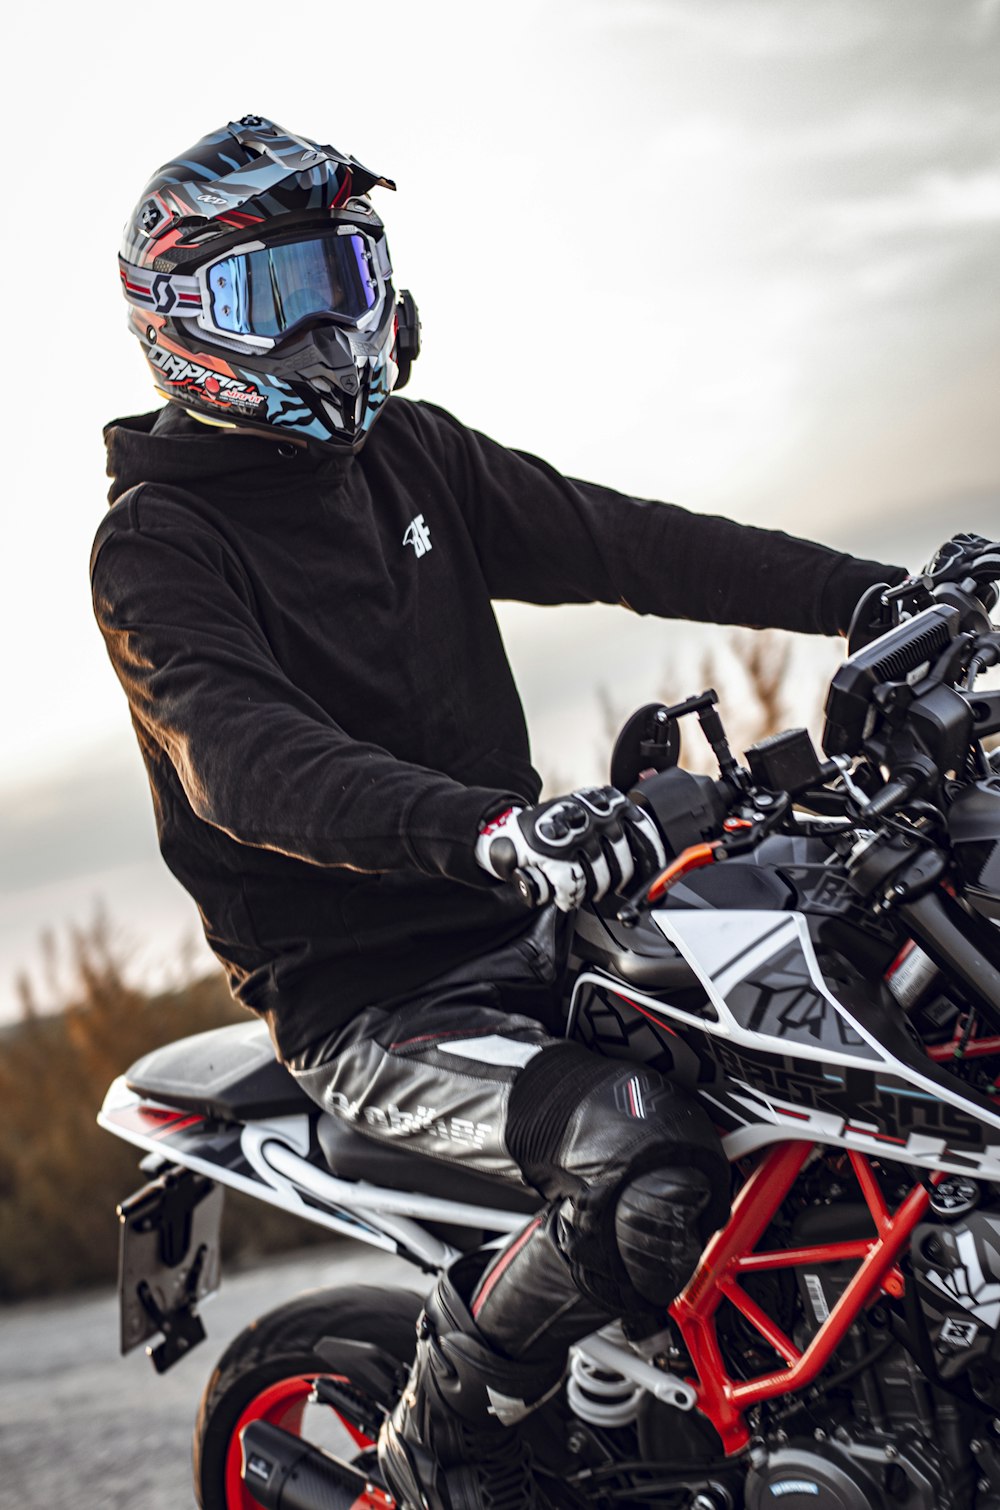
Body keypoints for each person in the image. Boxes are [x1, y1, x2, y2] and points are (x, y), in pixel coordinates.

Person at [93, 117, 906, 1510]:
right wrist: (490, 829)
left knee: (845, 1035)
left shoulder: (411, 454)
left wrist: (873, 598)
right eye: (279, 294)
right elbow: (245, 756)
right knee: (643, 1153)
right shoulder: (157, 547)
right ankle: (441, 1452)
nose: (336, 322)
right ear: (183, 323)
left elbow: (627, 537)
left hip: (541, 923)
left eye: (347, 274)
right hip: (369, 997)